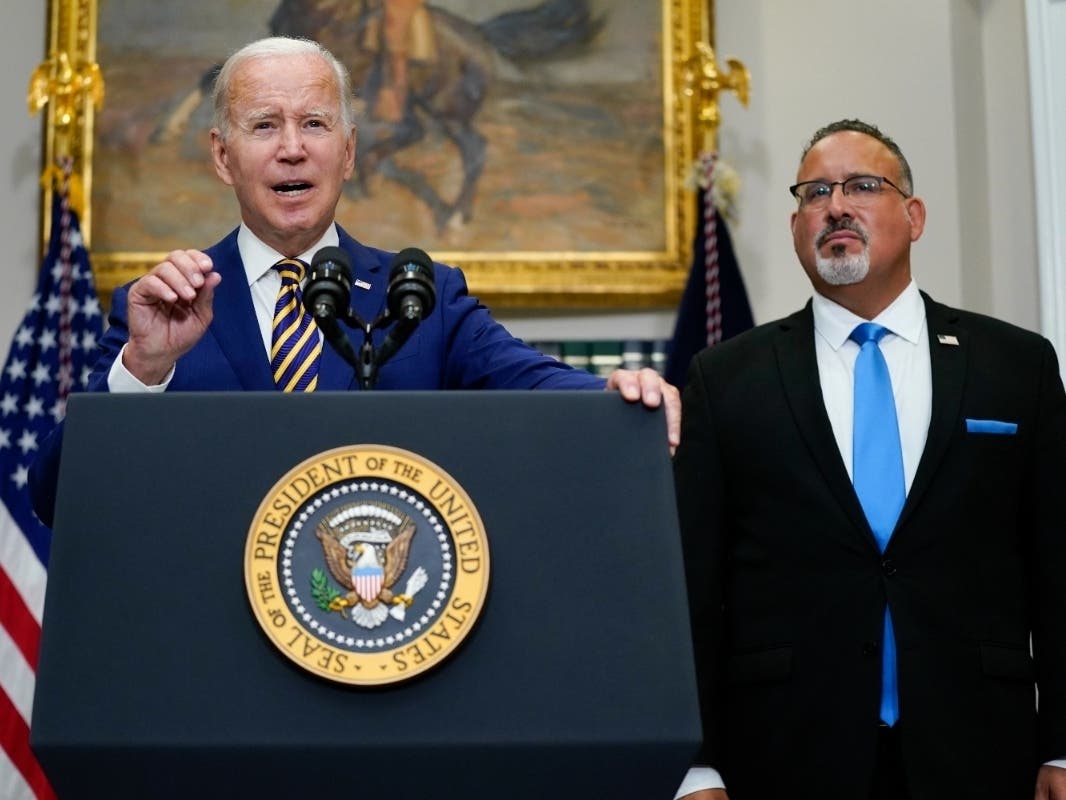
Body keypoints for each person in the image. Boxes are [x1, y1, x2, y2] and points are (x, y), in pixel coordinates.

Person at [28, 36, 678, 525]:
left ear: (350, 151)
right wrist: (142, 368)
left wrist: (616, 393)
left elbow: (536, 385)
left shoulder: (423, 296)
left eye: (314, 123)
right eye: (264, 125)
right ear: (223, 157)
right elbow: (56, 497)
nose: (292, 148)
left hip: (382, 640)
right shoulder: (164, 307)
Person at [672, 119, 1066, 799]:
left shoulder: (1016, 365)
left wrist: (1064, 746)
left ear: (913, 217)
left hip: (980, 749)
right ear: (798, 225)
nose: (835, 206)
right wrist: (696, 765)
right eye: (815, 192)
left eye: (861, 186)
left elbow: (1059, 569)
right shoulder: (726, 379)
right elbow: (693, 592)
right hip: (787, 754)